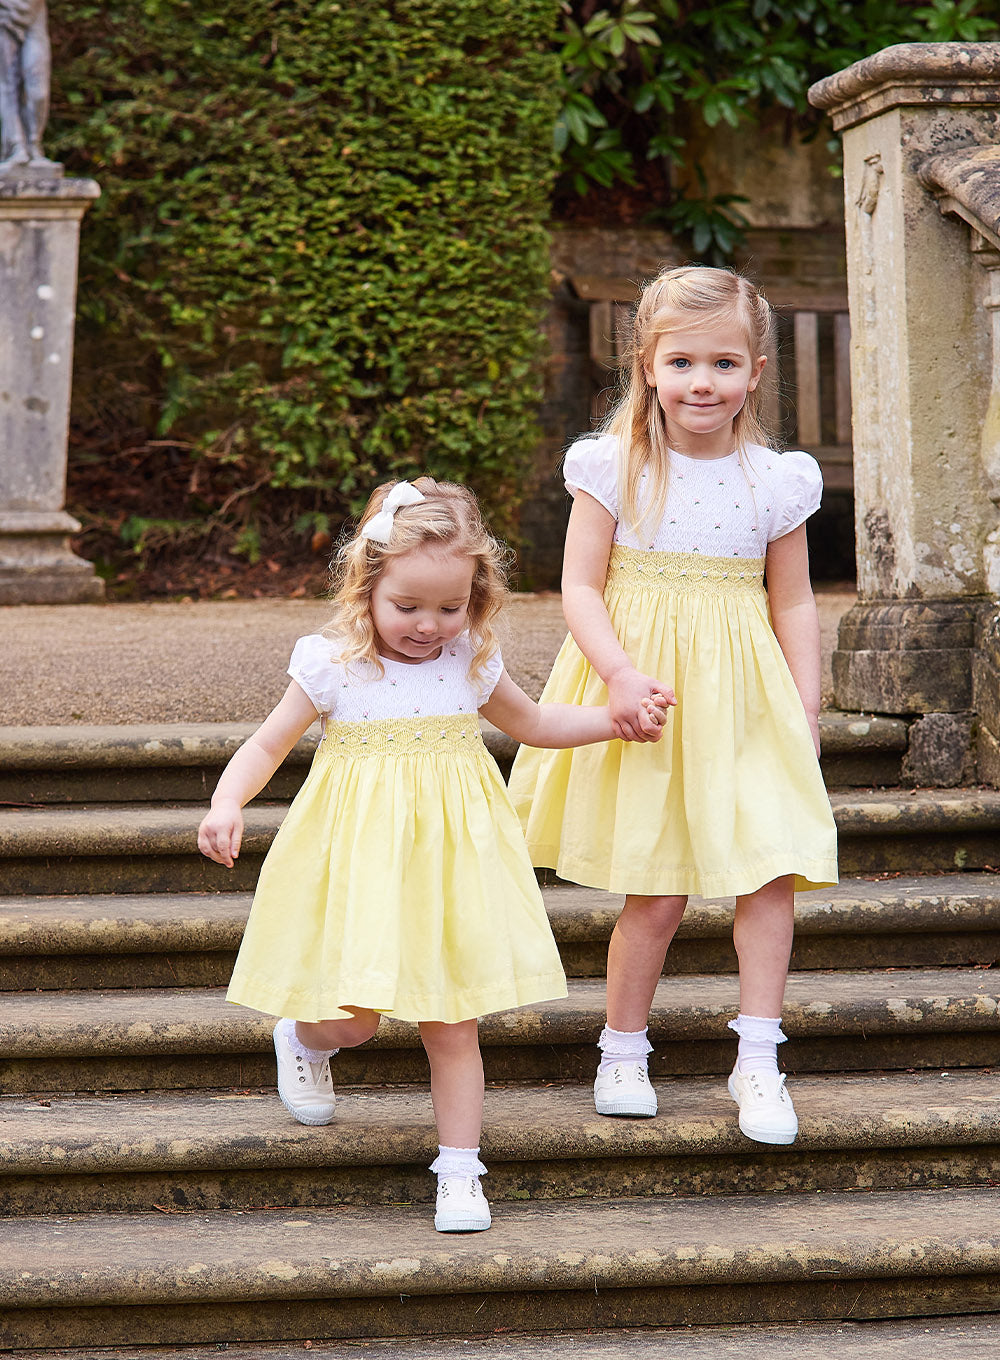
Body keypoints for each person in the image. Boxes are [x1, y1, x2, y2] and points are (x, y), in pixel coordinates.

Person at [198, 477, 665, 1235]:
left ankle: (459, 1170)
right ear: (367, 588)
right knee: (351, 1021)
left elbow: (538, 721)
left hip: (452, 868)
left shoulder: (470, 661)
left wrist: (616, 720)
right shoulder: (332, 664)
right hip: (362, 865)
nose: (427, 625)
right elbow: (266, 743)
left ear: (475, 600)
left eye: (449, 608)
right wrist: (227, 802)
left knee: (453, 1022)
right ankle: (304, 1037)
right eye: (407, 607)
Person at [509, 265, 839, 1147]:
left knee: (770, 869)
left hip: (746, 697)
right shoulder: (612, 468)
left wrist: (806, 708)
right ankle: (622, 1049)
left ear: (756, 372)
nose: (704, 381)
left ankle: (759, 1057)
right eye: (684, 361)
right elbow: (580, 588)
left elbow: (794, 602)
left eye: (725, 363)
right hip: (647, 687)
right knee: (657, 886)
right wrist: (616, 675)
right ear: (647, 366)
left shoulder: (776, 481)